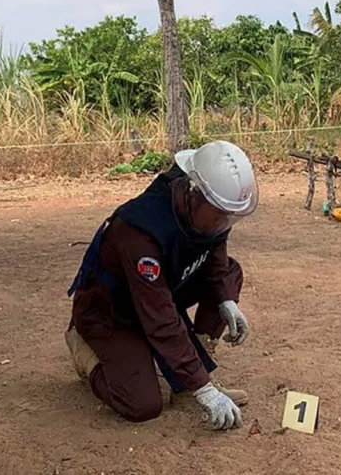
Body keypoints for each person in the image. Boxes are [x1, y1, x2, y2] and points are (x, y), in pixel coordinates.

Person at [65, 140, 258, 430]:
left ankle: (188, 381)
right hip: (111, 312)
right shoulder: (140, 232)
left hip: (158, 293)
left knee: (229, 274)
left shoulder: (208, 214)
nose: (225, 222)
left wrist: (226, 299)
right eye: (220, 213)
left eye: (230, 215)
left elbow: (217, 251)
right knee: (142, 405)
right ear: (195, 194)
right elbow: (161, 319)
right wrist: (205, 390)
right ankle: (84, 351)